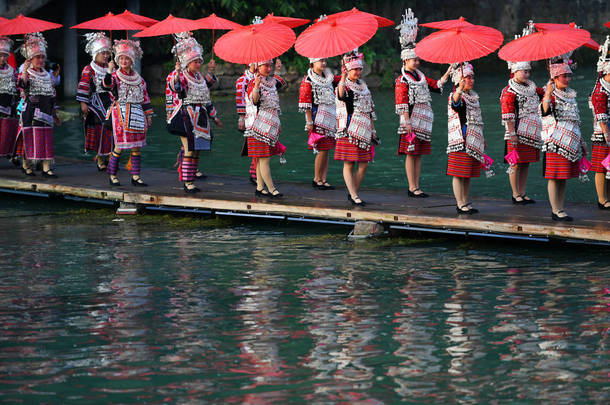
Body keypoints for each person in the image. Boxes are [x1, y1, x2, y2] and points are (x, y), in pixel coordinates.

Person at [395, 9, 450, 197]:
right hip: (410, 122)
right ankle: (412, 187)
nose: (417, 62)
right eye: (414, 59)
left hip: (423, 121)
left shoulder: (420, 76)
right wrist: (407, 121)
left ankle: (417, 186)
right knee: (411, 154)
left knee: (418, 154)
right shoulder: (402, 80)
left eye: (418, 59)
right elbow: (401, 103)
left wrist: (449, 70)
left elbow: (436, 85)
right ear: (405, 60)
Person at [166, 32, 222, 193]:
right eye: (194, 62)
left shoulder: (199, 77)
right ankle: (187, 182)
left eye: (199, 61)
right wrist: (177, 74)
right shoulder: (182, 76)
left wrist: (215, 117)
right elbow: (176, 87)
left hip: (201, 116)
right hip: (186, 116)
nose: (197, 64)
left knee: (197, 150)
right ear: (187, 63)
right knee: (190, 149)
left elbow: (206, 97)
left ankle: (191, 179)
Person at [500, 22, 544, 204]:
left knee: (525, 163)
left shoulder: (532, 88)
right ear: (515, 71)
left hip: (531, 131)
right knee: (515, 163)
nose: (527, 74)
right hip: (516, 132)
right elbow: (508, 113)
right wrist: (512, 134)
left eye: (528, 71)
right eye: (524, 71)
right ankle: (515, 193)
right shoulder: (509, 91)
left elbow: (545, 97)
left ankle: (523, 192)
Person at [540, 55, 587, 221]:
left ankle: (561, 207)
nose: (567, 79)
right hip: (555, 141)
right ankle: (555, 209)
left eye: (568, 76)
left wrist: (581, 141)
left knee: (563, 176)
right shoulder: (551, 94)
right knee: (555, 176)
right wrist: (547, 93)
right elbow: (545, 112)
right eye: (563, 76)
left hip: (571, 140)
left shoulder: (570, 95)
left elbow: (575, 118)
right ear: (555, 77)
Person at [103, 39, 152, 187]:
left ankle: (135, 176)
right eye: (121, 58)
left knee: (136, 147)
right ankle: (112, 174)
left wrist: (148, 115)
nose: (124, 61)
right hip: (120, 112)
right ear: (117, 60)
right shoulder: (115, 76)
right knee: (120, 145)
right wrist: (109, 70)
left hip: (137, 112)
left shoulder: (140, 79)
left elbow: (145, 97)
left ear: (132, 60)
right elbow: (106, 85)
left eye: (127, 58)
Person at [335, 50, 377, 206]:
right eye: (355, 69)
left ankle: (353, 192)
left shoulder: (363, 86)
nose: (358, 72)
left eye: (359, 69)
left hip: (365, 129)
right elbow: (340, 95)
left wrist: (373, 130)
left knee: (364, 164)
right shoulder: (345, 86)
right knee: (349, 163)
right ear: (348, 70)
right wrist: (343, 77)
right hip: (350, 129)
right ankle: (353, 195)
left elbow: (370, 110)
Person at [16, 32, 61, 177]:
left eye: (42, 57)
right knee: (29, 138)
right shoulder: (26, 73)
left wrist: (55, 113)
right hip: (30, 110)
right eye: (37, 57)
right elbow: (22, 86)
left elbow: (52, 94)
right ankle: (26, 164)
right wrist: (24, 72)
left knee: (46, 139)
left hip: (46, 110)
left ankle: (46, 167)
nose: (41, 60)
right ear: (30, 58)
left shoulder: (47, 75)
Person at [447, 63, 488, 214]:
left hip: (473, 138)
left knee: (468, 173)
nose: (471, 80)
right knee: (459, 173)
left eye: (472, 77)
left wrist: (482, 139)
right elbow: (455, 104)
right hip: (461, 139)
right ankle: (460, 203)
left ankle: (465, 201)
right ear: (459, 80)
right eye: (467, 77)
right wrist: (459, 88)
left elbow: (478, 120)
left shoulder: (473, 97)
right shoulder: (456, 95)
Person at [245, 59, 286, 197]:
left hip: (270, 125)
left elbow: (278, 83)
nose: (269, 69)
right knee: (264, 159)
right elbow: (254, 101)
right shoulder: (253, 82)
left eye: (270, 66)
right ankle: (271, 188)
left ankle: (259, 187)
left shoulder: (271, 81)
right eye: (266, 66)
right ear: (257, 67)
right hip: (258, 126)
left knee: (261, 159)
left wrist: (278, 69)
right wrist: (256, 85)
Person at [298, 55, 340, 190]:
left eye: (325, 60)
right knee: (322, 150)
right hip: (317, 119)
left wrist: (345, 72)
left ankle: (323, 178)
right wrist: (309, 121)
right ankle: (317, 178)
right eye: (320, 60)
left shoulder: (328, 79)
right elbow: (306, 104)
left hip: (330, 118)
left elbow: (341, 83)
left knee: (327, 149)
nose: (323, 63)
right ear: (312, 62)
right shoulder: (308, 80)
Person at [76, 32, 114, 171]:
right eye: (102, 53)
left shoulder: (110, 67)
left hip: (110, 100)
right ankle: (99, 157)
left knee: (113, 126)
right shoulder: (89, 69)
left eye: (106, 53)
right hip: (95, 101)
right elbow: (84, 85)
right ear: (95, 53)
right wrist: (83, 103)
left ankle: (111, 155)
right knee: (100, 127)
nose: (105, 56)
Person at [589, 35, 610, 210]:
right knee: (601, 166)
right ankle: (602, 199)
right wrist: (606, 133)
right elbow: (601, 113)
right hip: (603, 134)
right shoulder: (600, 90)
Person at [236, 63, 257, 184]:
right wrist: (241, 118)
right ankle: (254, 175)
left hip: (259, 116)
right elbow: (239, 99)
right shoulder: (243, 80)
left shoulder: (260, 77)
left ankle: (254, 173)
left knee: (258, 147)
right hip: (249, 116)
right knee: (255, 146)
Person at [0, 37, 18, 160]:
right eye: (0, 55)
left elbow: (17, 87)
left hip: (7, 107)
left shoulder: (12, 71)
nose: (3, 58)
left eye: (5, 56)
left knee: (5, 136)